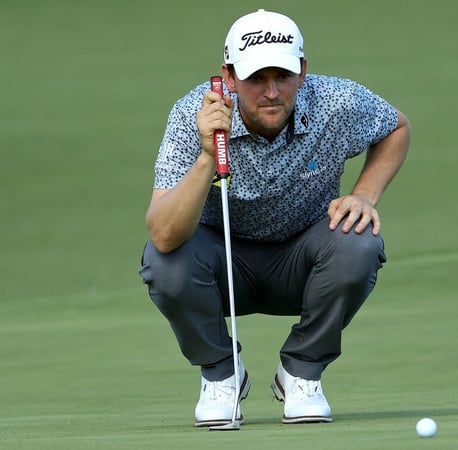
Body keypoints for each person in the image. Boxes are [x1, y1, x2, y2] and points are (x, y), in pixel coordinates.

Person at [139, 9, 410, 427]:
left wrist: (364, 194)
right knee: (164, 261)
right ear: (228, 77)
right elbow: (162, 232)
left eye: (282, 76)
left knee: (359, 239)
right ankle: (221, 374)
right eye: (256, 79)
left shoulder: (336, 101)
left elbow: (396, 128)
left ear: (302, 71)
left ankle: (302, 372)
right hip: (221, 264)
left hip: (305, 260)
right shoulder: (191, 114)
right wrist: (209, 155)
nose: (271, 92)